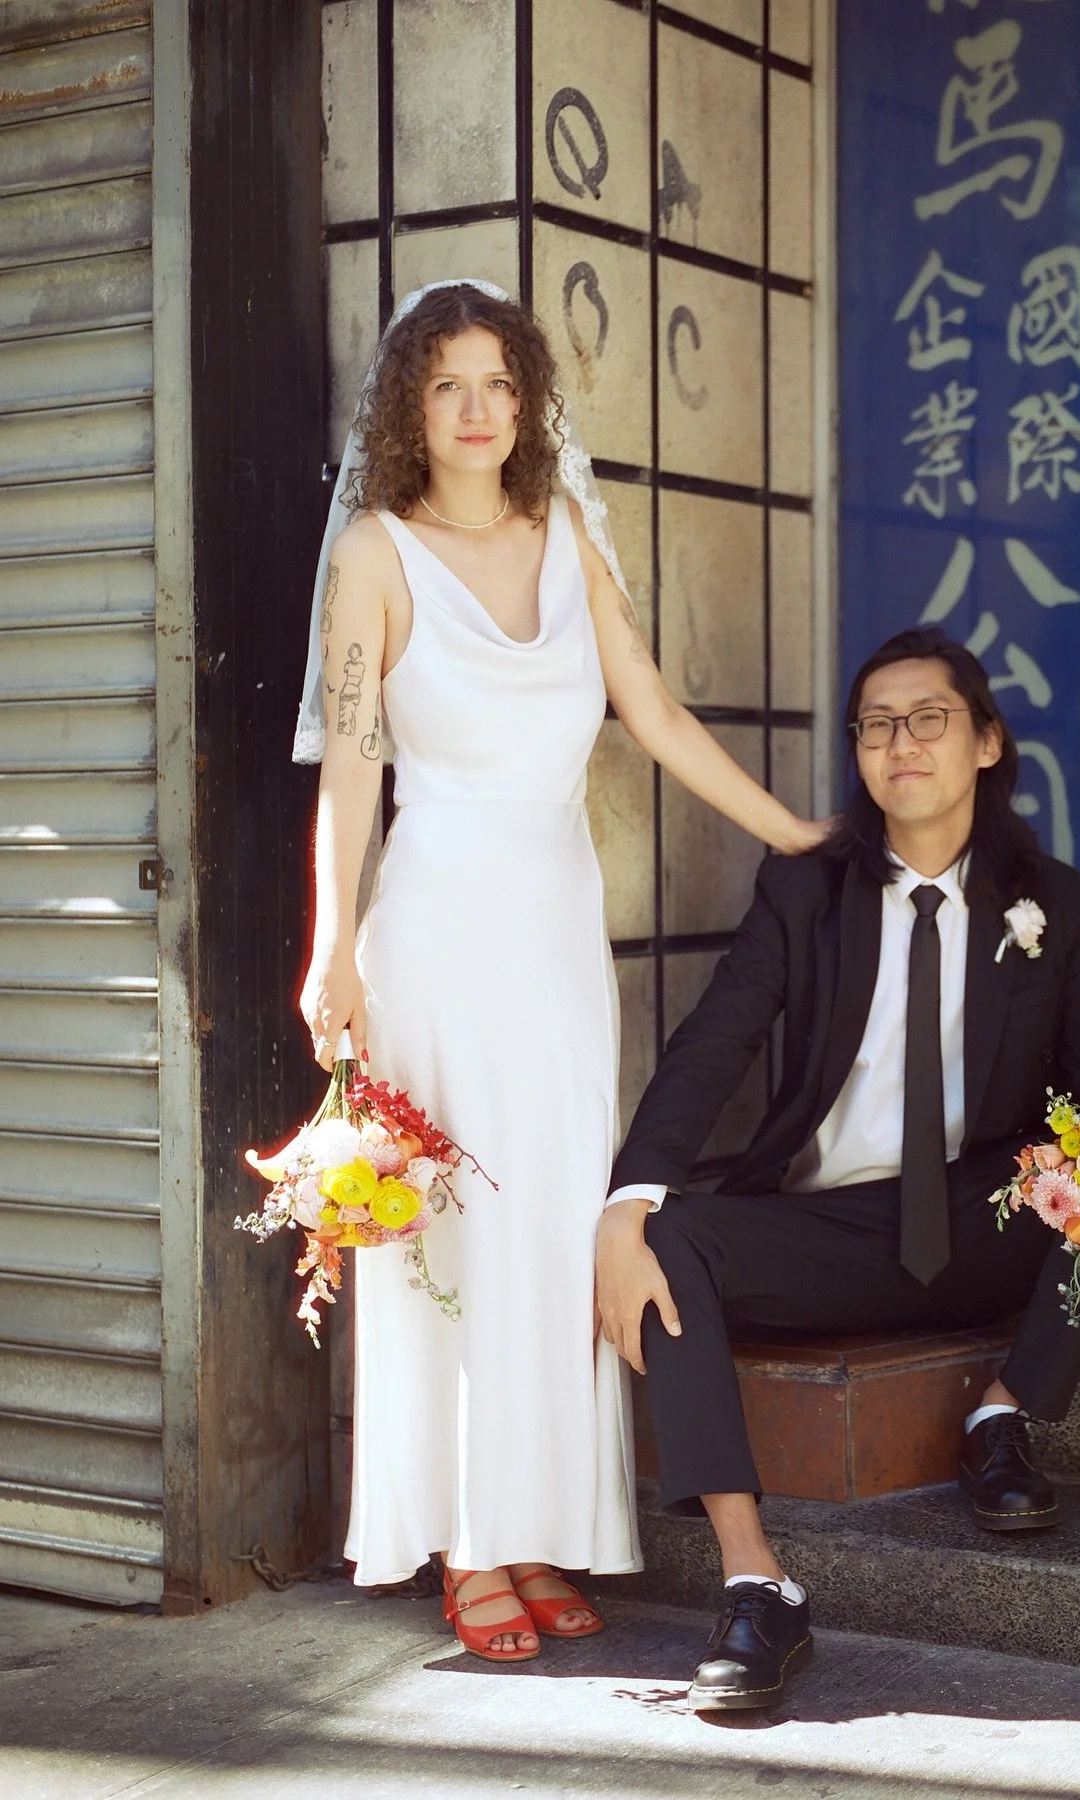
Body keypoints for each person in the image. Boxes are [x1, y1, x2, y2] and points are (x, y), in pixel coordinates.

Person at [296, 279, 824, 1662]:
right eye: (447, 385)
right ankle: (469, 1544)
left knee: (549, 1233)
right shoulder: (376, 554)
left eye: (499, 385)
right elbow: (354, 761)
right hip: (435, 922)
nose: (477, 410)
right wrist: (329, 945)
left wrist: (800, 835)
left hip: (553, 927)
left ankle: (532, 1529)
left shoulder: (568, 530)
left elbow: (647, 708)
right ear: (411, 405)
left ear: (529, 404)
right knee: (453, 1240)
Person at [596, 626, 1080, 1710]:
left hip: (982, 1218)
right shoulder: (806, 892)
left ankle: (1003, 1414)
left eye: (929, 718)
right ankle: (756, 1586)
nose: (901, 744)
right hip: (834, 1227)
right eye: (877, 725)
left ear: (985, 742)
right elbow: (714, 1043)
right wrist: (628, 1197)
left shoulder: (1048, 901)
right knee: (669, 1232)